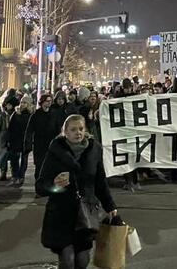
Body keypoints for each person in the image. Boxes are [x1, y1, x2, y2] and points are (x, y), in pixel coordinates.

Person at [36, 114, 118, 269]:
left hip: (85, 213)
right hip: (61, 214)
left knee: (82, 260)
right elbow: (40, 185)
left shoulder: (94, 150)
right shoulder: (56, 151)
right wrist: (54, 184)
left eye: (81, 129)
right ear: (65, 132)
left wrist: (110, 206)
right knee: (67, 259)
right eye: (73, 129)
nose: (78, 132)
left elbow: (100, 183)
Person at [27, 93, 62, 177]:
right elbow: (29, 130)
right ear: (42, 102)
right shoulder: (36, 115)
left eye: (50, 101)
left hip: (51, 143)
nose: (49, 103)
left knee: (50, 165)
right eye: (47, 101)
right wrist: (28, 144)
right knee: (39, 166)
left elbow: (58, 128)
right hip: (39, 144)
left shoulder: (54, 114)